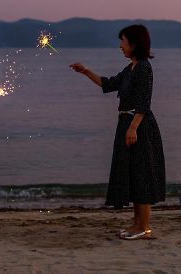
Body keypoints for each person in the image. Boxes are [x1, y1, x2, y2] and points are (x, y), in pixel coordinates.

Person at [70, 24, 165, 240]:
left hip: (138, 126)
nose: (120, 46)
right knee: (132, 175)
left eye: (123, 41)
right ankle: (136, 224)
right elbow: (108, 84)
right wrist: (85, 71)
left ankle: (145, 227)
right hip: (126, 124)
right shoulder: (131, 68)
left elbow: (143, 101)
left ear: (134, 43)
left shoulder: (144, 68)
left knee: (142, 176)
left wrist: (133, 128)